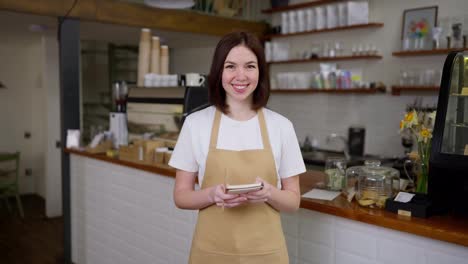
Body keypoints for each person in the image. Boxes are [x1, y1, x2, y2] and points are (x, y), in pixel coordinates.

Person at [169, 31, 306, 264]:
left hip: (266, 254)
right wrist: (212, 194)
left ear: (260, 71)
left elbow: (293, 201)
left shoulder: (282, 126)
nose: (240, 75)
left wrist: (269, 193)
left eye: (250, 66)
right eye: (230, 66)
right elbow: (181, 196)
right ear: (218, 71)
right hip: (210, 253)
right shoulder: (195, 124)